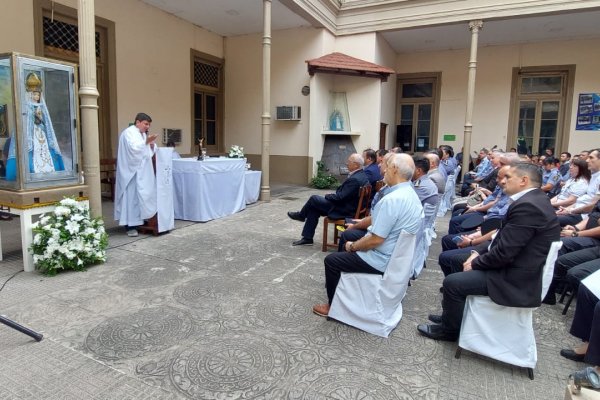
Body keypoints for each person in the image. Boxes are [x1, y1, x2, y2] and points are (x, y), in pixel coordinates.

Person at [418, 162, 560, 341]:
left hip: (515, 278)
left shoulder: (529, 206)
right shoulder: (531, 200)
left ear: (524, 180)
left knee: (453, 283)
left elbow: (505, 253)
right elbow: (501, 237)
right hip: (513, 264)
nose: (503, 182)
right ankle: (454, 313)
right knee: (450, 259)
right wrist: (477, 252)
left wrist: (476, 263)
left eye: (508, 177)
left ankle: (450, 330)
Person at [312, 153, 423, 317]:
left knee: (332, 261)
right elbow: (377, 220)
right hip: (395, 257)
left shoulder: (393, 199)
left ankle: (334, 307)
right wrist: (358, 227)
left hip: (381, 259)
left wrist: (353, 247)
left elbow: (375, 240)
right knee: (348, 237)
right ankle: (345, 290)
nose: (382, 170)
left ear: (394, 169)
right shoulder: (410, 193)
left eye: (386, 165)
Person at [288, 153, 369, 246]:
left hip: (344, 210)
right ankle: (307, 238)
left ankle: (301, 216)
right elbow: (344, 195)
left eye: (349, 161)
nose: (347, 163)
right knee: (314, 208)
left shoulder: (355, 179)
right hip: (348, 206)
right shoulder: (362, 175)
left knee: (314, 199)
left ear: (356, 165)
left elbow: (339, 198)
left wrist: (328, 196)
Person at [114, 113, 158, 237]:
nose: (147, 127)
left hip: (141, 172)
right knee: (131, 199)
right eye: (146, 124)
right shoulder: (129, 132)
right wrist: (146, 143)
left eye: (148, 124)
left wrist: (151, 145)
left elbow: (147, 151)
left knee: (140, 198)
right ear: (137, 122)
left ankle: (139, 221)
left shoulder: (142, 134)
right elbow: (133, 149)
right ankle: (130, 226)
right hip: (130, 172)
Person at [14, 72, 65, 176]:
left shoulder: (41, 106)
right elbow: (26, 119)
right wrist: (33, 115)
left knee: (44, 148)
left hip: (40, 130)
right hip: (31, 132)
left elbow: (45, 120)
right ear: (30, 94)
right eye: (34, 94)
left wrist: (40, 117)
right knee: (34, 148)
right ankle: (33, 169)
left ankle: (47, 167)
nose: (36, 96)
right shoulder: (27, 106)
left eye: (38, 94)